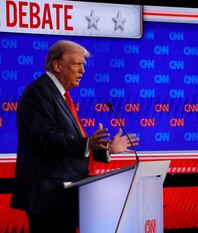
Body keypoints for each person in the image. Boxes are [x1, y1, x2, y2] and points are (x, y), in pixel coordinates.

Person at [10, 40, 139, 233]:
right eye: (77, 64)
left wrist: (107, 149)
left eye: (83, 65)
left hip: (65, 195)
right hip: (48, 197)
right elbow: (46, 139)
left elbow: (72, 146)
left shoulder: (59, 95)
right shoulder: (38, 92)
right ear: (57, 65)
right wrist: (87, 144)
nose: (83, 71)